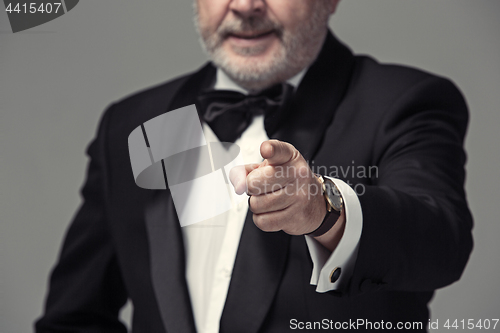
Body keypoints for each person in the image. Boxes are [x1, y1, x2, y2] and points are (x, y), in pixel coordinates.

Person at [35, 0, 473, 332]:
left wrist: (326, 209)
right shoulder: (134, 123)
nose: (245, 6)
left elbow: (440, 242)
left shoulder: (405, 101)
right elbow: (74, 315)